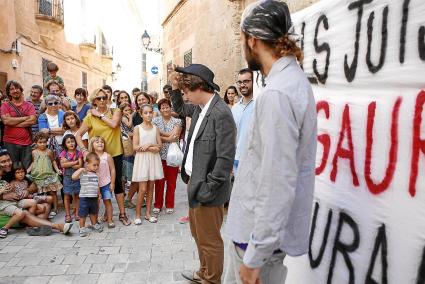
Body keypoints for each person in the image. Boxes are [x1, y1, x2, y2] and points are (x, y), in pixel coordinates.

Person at [224, 2, 318, 284]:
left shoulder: (276, 93)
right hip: (261, 243)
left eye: (242, 39)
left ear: (252, 39)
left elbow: (277, 181)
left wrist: (255, 257)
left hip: (254, 245)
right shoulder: (290, 82)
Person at [169, 64, 236, 284]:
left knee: (210, 239)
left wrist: (209, 188)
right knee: (199, 235)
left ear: (199, 87)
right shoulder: (199, 108)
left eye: (186, 90)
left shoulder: (221, 113)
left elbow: (225, 159)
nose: (184, 95)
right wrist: (174, 86)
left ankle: (212, 279)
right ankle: (203, 271)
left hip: (208, 189)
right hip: (193, 182)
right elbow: (178, 107)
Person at [76, 88, 131, 226]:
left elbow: (113, 124)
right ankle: (104, 213)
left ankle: (122, 214)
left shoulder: (115, 112)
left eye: (104, 97)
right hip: (97, 157)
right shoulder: (89, 117)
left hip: (115, 154)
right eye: (98, 98)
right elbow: (77, 134)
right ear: (94, 101)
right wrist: (83, 151)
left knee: (117, 184)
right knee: (98, 184)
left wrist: (99, 115)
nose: (102, 100)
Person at [132, 104, 163, 225]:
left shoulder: (155, 128)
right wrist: (150, 147)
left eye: (150, 112)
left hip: (153, 159)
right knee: (143, 188)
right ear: (141, 114)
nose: (148, 115)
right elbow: (135, 147)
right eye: (145, 113)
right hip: (142, 160)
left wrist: (150, 145)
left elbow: (159, 146)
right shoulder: (137, 128)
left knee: (151, 188)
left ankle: (148, 214)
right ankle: (138, 214)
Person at [152, 99, 182, 214]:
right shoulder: (155, 121)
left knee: (171, 182)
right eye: (162, 107)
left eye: (167, 107)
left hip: (173, 156)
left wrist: (160, 134)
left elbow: (175, 135)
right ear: (159, 110)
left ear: (170, 108)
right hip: (159, 155)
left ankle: (170, 204)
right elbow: (155, 137)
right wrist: (168, 138)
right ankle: (158, 204)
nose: (165, 109)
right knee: (159, 182)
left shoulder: (177, 121)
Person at [1, 80, 36, 169]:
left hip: (27, 143)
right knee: (11, 168)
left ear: (21, 89)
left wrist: (13, 122)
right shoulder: (5, 105)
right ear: (9, 92)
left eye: (16, 88)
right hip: (10, 142)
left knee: (26, 168)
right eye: (12, 89)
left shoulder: (29, 105)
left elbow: (32, 121)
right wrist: (25, 118)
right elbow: (6, 121)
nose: (15, 90)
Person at [28, 132, 62, 215]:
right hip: (39, 176)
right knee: (41, 193)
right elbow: (33, 162)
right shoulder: (34, 152)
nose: (42, 144)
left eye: (44, 142)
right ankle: (46, 208)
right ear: (35, 143)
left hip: (49, 175)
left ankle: (55, 208)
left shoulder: (49, 151)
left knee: (53, 192)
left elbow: (53, 161)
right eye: (40, 142)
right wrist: (28, 169)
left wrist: (57, 170)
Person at [72, 152, 104, 237]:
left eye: (98, 165)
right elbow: (73, 177)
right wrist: (80, 169)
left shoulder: (97, 174)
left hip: (94, 198)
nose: (96, 167)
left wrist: (99, 194)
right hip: (84, 198)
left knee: (93, 212)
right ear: (87, 164)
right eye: (94, 165)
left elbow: (97, 185)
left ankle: (94, 224)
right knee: (83, 214)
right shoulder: (83, 173)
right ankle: (82, 228)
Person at [232, 68, 255, 175]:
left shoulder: (260, 104)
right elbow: (233, 134)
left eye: (246, 81)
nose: (242, 85)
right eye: (240, 82)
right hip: (237, 160)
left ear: (253, 82)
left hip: (254, 161)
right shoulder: (235, 108)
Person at [89, 136, 115, 228]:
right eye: (97, 142)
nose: (100, 143)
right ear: (92, 145)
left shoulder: (107, 156)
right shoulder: (90, 157)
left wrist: (112, 183)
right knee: (96, 203)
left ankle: (110, 219)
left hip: (106, 183)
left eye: (102, 142)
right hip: (94, 184)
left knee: (107, 201)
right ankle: (95, 221)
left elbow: (112, 170)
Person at [60, 134, 83, 223]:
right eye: (68, 142)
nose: (71, 143)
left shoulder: (79, 153)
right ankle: (68, 214)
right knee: (67, 196)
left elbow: (80, 166)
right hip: (67, 178)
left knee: (77, 196)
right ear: (65, 144)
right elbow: (63, 165)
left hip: (77, 178)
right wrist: (75, 162)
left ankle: (77, 213)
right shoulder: (63, 153)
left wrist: (69, 162)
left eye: (72, 141)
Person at [120, 103, 136, 208]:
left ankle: (125, 197)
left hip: (129, 144)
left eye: (129, 110)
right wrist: (131, 116)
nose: (128, 112)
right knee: (126, 173)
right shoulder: (124, 118)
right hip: (126, 145)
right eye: (126, 110)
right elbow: (130, 126)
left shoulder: (126, 117)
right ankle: (124, 197)